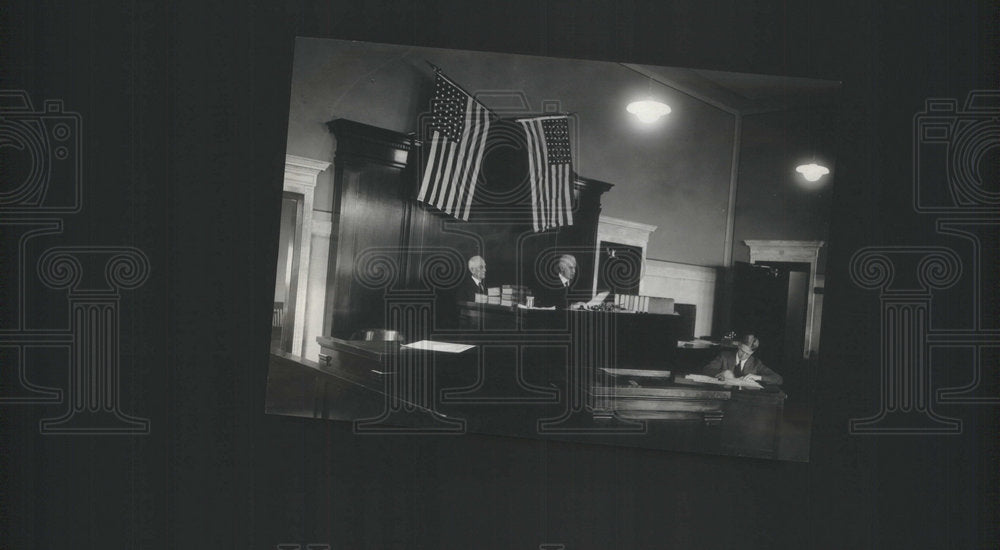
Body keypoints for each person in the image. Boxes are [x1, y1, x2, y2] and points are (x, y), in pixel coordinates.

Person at [702, 334, 783, 385]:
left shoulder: (756, 363)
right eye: (742, 351)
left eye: (747, 354)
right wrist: (722, 373)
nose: (743, 355)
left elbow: (778, 379)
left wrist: (758, 377)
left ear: (752, 353)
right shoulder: (725, 356)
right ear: (739, 346)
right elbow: (706, 369)